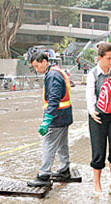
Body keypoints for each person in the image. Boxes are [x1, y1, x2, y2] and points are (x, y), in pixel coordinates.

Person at [27, 52, 73, 187]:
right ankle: (64, 169)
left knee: (49, 144)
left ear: (44, 62)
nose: (37, 69)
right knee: (62, 144)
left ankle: (44, 175)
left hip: (56, 117)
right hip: (64, 115)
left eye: (37, 66)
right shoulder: (57, 71)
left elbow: (54, 98)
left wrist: (47, 119)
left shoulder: (53, 75)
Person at [86, 42, 111, 197]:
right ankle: (97, 184)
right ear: (99, 58)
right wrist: (92, 111)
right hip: (98, 116)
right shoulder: (93, 74)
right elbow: (90, 95)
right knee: (98, 151)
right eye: (108, 58)